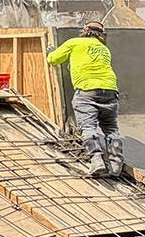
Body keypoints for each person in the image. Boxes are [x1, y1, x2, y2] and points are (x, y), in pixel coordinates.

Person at [49, 21, 125, 178]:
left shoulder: (74, 42)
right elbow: (90, 62)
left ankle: (96, 160)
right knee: (111, 128)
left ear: (85, 31)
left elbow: (54, 59)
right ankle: (116, 164)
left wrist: (50, 52)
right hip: (110, 90)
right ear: (101, 35)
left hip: (87, 91)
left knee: (88, 127)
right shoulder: (104, 49)